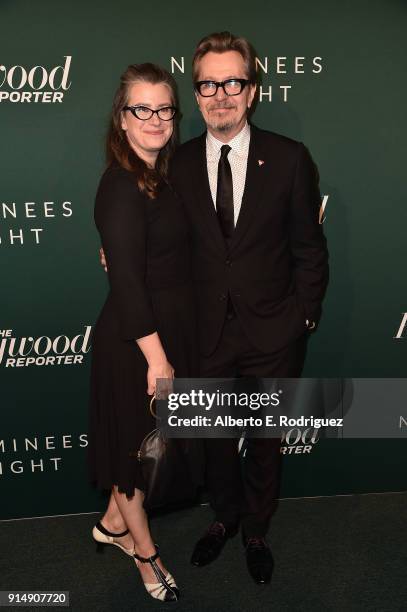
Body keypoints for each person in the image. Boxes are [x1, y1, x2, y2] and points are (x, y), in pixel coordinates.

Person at [169, 32, 329, 585]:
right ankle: (225, 518)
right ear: (196, 93)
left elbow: (310, 249)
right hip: (205, 333)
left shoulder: (288, 160)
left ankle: (257, 527)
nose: (221, 95)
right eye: (208, 84)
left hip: (272, 332)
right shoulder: (179, 164)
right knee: (214, 439)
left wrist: (301, 320)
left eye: (232, 81)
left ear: (252, 90)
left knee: (264, 441)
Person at [88, 62, 197, 603]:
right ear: (122, 119)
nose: (154, 119)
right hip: (136, 345)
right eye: (141, 109)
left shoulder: (162, 173)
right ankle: (145, 554)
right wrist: (157, 360)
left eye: (163, 109)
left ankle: (113, 522)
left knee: (145, 453)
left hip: (165, 332)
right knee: (136, 458)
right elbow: (128, 283)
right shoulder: (120, 185)